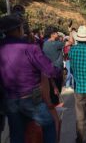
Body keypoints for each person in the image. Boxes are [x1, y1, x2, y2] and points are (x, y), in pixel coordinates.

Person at [0, 15, 61, 143]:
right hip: (30, 98)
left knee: (16, 134)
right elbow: (49, 70)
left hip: (10, 99)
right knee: (49, 124)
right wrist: (59, 72)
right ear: (18, 29)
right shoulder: (29, 48)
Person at [43, 26, 65, 105]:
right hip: (57, 70)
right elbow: (70, 42)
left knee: (52, 91)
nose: (57, 34)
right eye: (56, 33)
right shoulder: (56, 44)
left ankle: (54, 106)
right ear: (52, 34)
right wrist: (69, 32)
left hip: (48, 69)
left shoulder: (45, 43)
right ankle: (56, 108)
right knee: (57, 90)